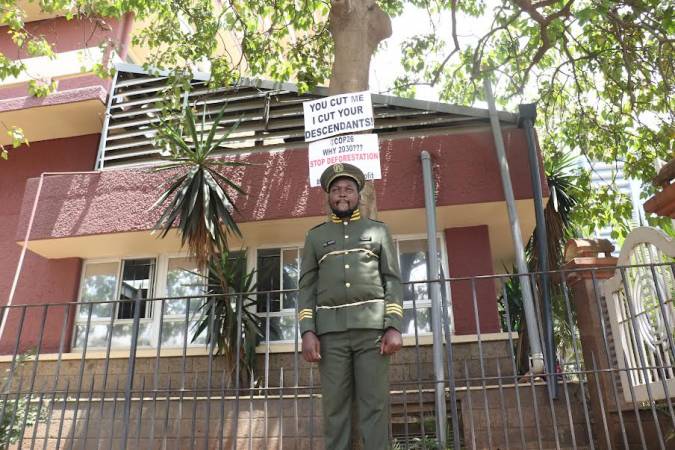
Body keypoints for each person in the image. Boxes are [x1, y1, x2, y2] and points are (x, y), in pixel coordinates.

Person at [298, 162, 403, 450]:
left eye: (348, 189)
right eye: (335, 190)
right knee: (334, 410)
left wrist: (393, 326)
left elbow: (392, 281)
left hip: (373, 333)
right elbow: (306, 287)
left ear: (359, 194)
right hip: (330, 336)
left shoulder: (379, 231)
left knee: (375, 407)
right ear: (328, 197)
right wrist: (307, 331)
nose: (342, 195)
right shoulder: (315, 237)